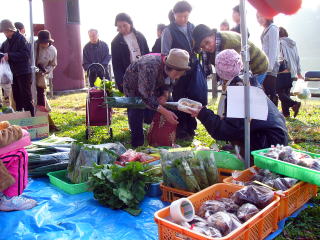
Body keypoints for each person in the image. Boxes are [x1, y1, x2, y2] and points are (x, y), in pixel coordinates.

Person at [189, 49, 288, 162]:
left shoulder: (239, 90)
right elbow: (237, 124)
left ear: (220, 71)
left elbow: (227, 131)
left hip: (269, 145)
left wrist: (203, 114)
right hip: (277, 137)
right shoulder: (247, 81)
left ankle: (249, 159)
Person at [123, 48, 190, 147]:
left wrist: (165, 94)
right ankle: (137, 144)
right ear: (168, 67)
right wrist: (165, 112)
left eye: (180, 75)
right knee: (136, 109)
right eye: (176, 74)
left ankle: (161, 139)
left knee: (164, 105)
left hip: (154, 85)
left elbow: (170, 81)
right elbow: (145, 95)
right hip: (134, 87)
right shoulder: (149, 65)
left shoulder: (172, 65)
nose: (177, 77)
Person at [161, 1, 197, 140]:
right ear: (174, 14)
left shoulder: (192, 27)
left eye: (186, 16)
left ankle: (191, 127)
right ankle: (181, 128)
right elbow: (165, 53)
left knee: (192, 97)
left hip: (191, 69)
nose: (183, 19)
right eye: (180, 16)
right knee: (179, 97)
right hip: (177, 70)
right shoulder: (168, 30)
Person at [192, 24, 268, 79]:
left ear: (212, 35)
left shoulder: (230, 43)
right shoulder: (210, 48)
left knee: (249, 94)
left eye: (207, 42)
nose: (206, 47)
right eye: (202, 47)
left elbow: (237, 70)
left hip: (257, 65)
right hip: (243, 68)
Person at [0, 19, 34, 116]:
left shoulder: (22, 39)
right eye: (3, 32)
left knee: (26, 97)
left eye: (5, 31)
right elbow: (2, 52)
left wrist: (10, 55)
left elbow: (26, 54)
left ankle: (31, 118)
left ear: (11, 29)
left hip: (24, 72)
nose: (4, 33)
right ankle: (20, 119)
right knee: (17, 98)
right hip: (13, 74)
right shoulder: (5, 43)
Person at [111, 13, 149, 92]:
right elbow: (116, 65)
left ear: (130, 24)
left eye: (124, 25)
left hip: (144, 72)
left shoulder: (140, 36)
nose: (122, 29)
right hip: (128, 75)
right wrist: (121, 81)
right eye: (119, 27)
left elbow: (148, 54)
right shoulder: (115, 42)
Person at [35, 30, 58, 131]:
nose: (43, 44)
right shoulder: (34, 47)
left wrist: (45, 71)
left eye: (45, 42)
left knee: (41, 97)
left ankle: (44, 122)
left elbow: (53, 64)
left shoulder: (53, 50)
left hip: (41, 75)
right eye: (42, 42)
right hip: (30, 74)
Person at [277, 27, 302, 118]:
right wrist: (299, 72)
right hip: (293, 70)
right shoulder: (293, 43)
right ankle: (286, 114)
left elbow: (279, 57)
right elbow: (297, 58)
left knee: (279, 91)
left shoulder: (280, 43)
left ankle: (294, 104)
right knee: (286, 92)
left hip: (284, 70)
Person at [257, 12, 280, 106]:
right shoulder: (266, 29)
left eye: (261, 16)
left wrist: (269, 67)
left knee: (271, 92)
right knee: (266, 91)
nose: (259, 19)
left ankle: (275, 116)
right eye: (257, 17)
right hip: (265, 65)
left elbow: (273, 49)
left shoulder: (273, 28)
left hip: (270, 66)